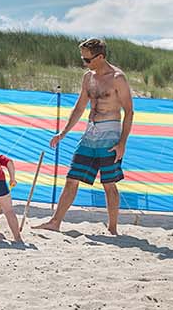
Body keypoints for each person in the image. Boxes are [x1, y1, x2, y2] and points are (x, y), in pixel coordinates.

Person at [34, 38, 134, 235]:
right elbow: (80, 106)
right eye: (83, 59)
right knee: (72, 178)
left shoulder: (117, 78)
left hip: (110, 135)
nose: (84, 63)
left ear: (101, 57)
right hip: (89, 135)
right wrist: (63, 133)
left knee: (108, 184)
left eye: (87, 60)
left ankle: (112, 228)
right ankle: (55, 222)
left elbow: (129, 112)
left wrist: (122, 143)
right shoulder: (88, 77)